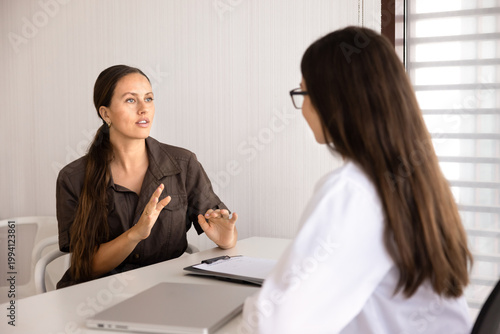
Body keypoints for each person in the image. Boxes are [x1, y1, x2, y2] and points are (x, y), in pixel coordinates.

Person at [241, 26, 473, 333]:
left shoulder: (353, 190)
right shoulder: (417, 179)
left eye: (304, 93)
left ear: (334, 100)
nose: (304, 108)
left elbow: (275, 324)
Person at [56, 65, 238, 288]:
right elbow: (85, 267)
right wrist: (135, 235)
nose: (144, 109)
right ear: (106, 113)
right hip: (96, 295)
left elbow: (222, 228)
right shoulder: (73, 178)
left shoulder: (184, 164)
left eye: (149, 99)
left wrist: (226, 237)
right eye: (131, 100)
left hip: (164, 291)